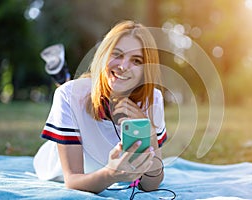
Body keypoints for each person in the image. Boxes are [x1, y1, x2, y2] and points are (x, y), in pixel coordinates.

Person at [33, 20, 167, 194]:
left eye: (136, 60)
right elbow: (72, 181)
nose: (123, 66)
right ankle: (63, 78)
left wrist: (150, 136)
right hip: (54, 165)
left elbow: (151, 184)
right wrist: (111, 174)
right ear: (104, 54)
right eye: (117, 54)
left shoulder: (153, 100)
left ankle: (63, 76)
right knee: (72, 91)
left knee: (80, 89)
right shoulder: (68, 95)